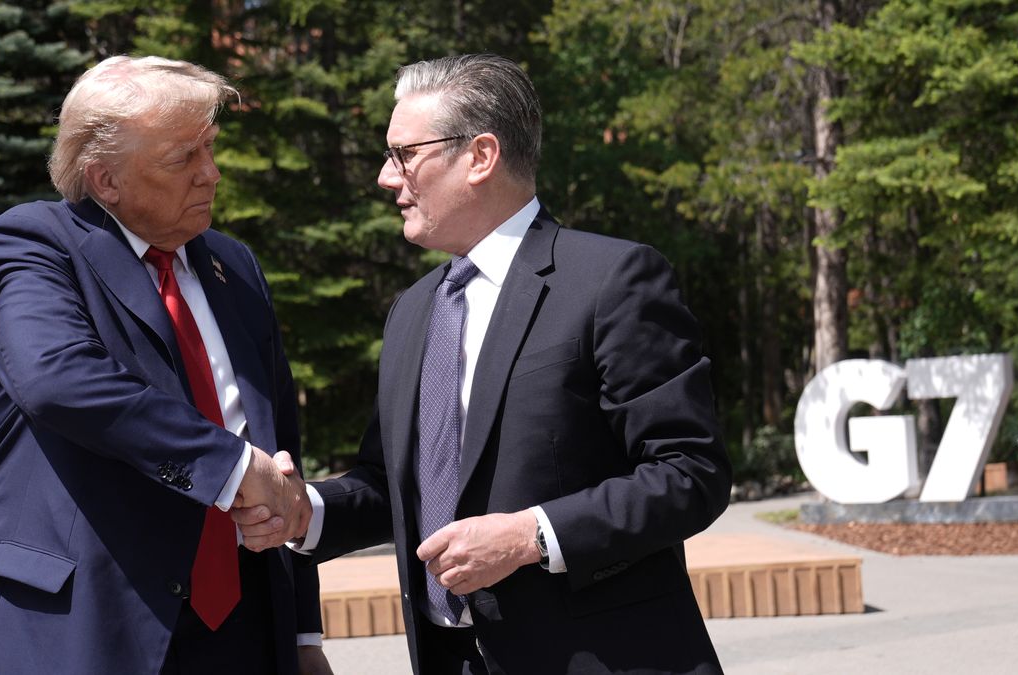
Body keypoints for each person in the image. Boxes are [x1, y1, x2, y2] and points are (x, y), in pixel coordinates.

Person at [236, 54, 732, 674]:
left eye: (404, 154)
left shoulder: (612, 279)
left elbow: (690, 473)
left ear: (480, 156)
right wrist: (305, 511)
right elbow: (386, 486)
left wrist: (532, 536)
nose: (388, 179)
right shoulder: (412, 312)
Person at [0, 55, 329, 675]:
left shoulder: (235, 266)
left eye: (211, 148)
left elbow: (281, 449)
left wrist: (304, 635)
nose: (212, 174)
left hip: (245, 626)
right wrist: (225, 466)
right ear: (105, 179)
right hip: (83, 625)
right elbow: (56, 378)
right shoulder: (35, 242)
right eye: (183, 159)